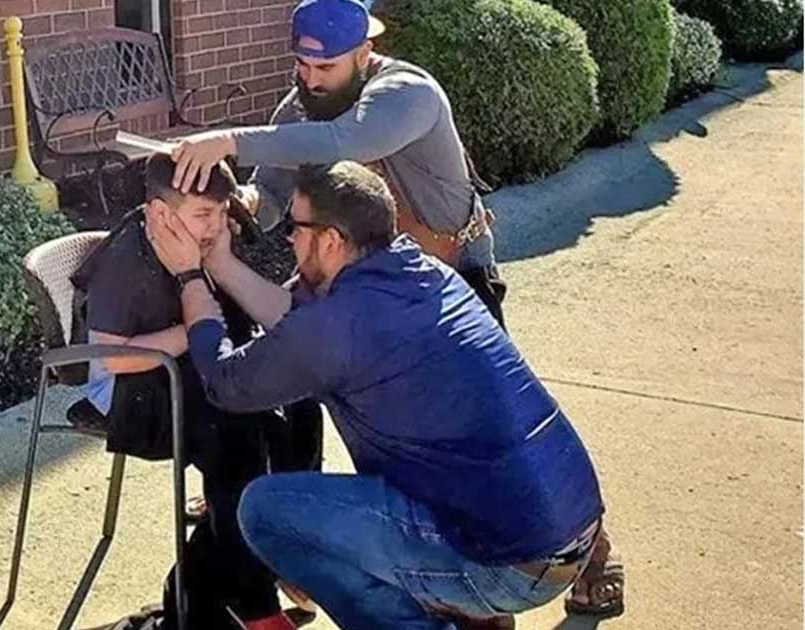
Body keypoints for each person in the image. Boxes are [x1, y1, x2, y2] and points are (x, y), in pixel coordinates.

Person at [170, 0, 625, 614]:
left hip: (452, 268)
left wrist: (227, 142)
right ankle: (445, 570)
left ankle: (581, 548)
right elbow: (277, 198)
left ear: (365, 51)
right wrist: (239, 207)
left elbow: (348, 140)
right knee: (397, 434)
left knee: (490, 421)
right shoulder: (301, 112)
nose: (310, 80)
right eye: (301, 66)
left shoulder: (406, 92)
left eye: (325, 67)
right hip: (375, 283)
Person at [144, 161, 606, 630]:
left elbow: (226, 382)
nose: (288, 240)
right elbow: (293, 321)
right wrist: (221, 263)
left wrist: (190, 278)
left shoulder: (338, 326)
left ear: (330, 240)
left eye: (294, 227)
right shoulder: (419, 272)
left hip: (509, 563)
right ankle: (470, 615)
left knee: (266, 511)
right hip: (566, 531)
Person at [70, 154, 293, 630]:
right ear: (159, 214)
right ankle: (255, 602)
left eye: (221, 211)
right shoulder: (127, 258)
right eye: (203, 215)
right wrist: (192, 328)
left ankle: (277, 551)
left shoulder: (207, 239)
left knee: (295, 407)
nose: (216, 225)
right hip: (135, 392)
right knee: (236, 435)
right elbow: (111, 359)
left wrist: (219, 263)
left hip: (191, 371)